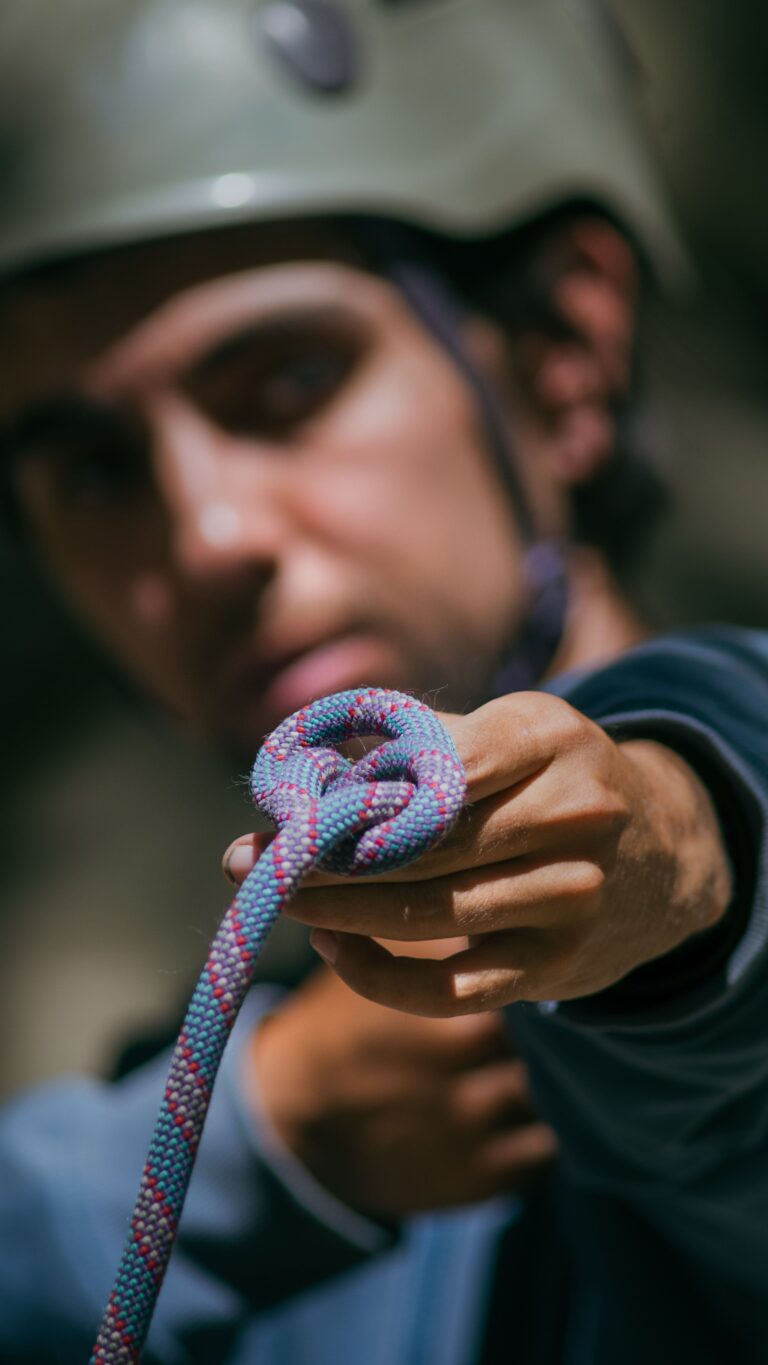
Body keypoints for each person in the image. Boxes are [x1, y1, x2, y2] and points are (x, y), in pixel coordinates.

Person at [1, 1, 767, 1362]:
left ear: (566, 351)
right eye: (93, 470)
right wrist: (270, 1139)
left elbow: (712, 793)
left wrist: (670, 881)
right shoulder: (241, 1146)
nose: (205, 535)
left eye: (289, 377)